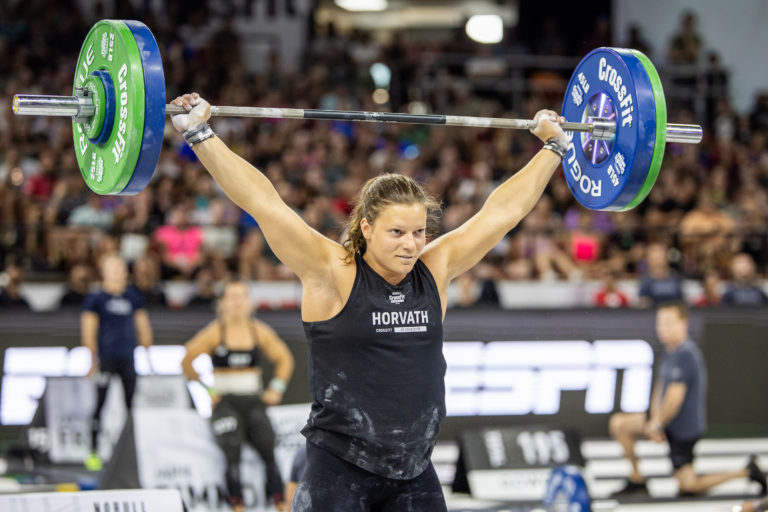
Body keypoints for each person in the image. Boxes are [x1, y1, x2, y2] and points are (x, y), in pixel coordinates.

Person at [171, 91, 568, 510]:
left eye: (418, 232)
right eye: (397, 232)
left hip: (414, 471)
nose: (411, 244)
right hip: (341, 471)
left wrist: (553, 147)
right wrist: (200, 132)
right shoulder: (333, 272)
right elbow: (264, 204)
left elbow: (501, 213)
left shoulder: (434, 270)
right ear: (367, 227)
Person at [609, 303, 766, 498]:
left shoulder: (686, 353)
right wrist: (654, 420)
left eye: (668, 323)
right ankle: (636, 477)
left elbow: (675, 398)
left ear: (683, 324)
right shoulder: (669, 352)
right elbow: (659, 390)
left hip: (682, 430)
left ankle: (746, 471)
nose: (663, 328)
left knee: (688, 486)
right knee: (620, 424)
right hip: (667, 422)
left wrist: (657, 425)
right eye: (660, 323)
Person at [181, 279, 294, 511]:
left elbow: (285, 359)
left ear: (250, 302)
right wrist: (208, 391)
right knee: (232, 453)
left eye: (242, 297)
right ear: (222, 303)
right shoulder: (215, 332)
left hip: (253, 401)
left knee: (268, 449)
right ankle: (237, 505)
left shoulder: (258, 331)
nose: (237, 303)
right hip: (225, 402)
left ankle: (281, 503)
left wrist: (277, 388)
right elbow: (186, 360)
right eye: (231, 297)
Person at [81, 254, 153, 471]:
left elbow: (142, 323)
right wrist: (92, 358)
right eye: (111, 269)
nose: (115, 273)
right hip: (106, 358)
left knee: (131, 405)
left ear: (124, 272)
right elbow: (89, 328)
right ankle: (93, 450)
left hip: (128, 358)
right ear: (104, 272)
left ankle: (133, 449)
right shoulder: (97, 298)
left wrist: (148, 346)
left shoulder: (132, 296)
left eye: (118, 268)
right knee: (99, 404)